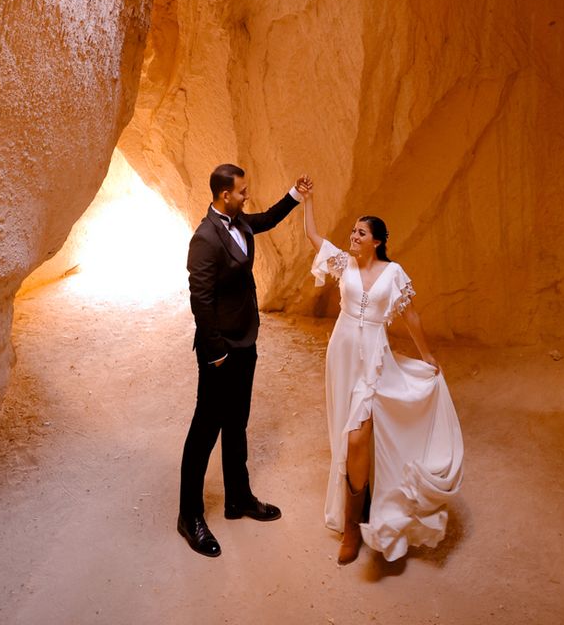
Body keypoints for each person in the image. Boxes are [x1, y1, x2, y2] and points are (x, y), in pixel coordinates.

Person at [301, 188, 464, 565]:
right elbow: (313, 236)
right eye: (352, 232)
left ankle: (351, 527)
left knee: (358, 437)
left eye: (361, 233)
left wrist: (428, 356)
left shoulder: (393, 273)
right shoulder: (342, 263)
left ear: (376, 240)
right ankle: (360, 502)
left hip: (375, 359)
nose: (353, 237)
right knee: (347, 433)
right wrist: (308, 201)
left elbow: (411, 316)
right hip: (341, 354)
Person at [178, 163, 312, 557]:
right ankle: (189, 516)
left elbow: (267, 218)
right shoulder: (205, 238)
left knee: (237, 423)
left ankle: (239, 498)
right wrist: (216, 351)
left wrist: (295, 194)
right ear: (224, 195)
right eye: (241, 192)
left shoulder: (239, 222)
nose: (246, 196)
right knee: (205, 432)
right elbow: (199, 299)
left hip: (245, 341)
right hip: (220, 351)